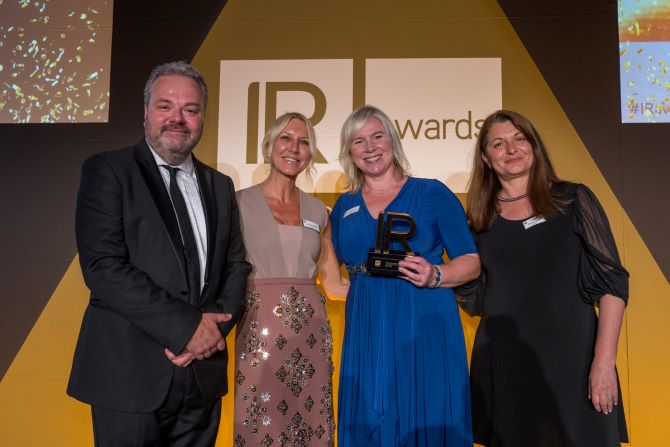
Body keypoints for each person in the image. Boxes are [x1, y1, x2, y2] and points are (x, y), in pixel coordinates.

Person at [67, 61, 251, 447]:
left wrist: (212, 331)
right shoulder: (107, 171)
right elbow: (104, 267)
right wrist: (187, 329)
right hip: (129, 376)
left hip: (202, 376)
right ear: (146, 111)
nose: (177, 119)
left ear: (202, 117)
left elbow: (235, 266)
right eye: (165, 106)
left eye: (190, 109)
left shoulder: (220, 185)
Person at [463, 110, 629, 446]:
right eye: (499, 143)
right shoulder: (477, 221)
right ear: (486, 157)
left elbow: (612, 286)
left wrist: (603, 362)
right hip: (507, 367)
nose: (511, 149)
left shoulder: (572, 199)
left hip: (576, 360)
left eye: (519, 139)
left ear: (534, 146)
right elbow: (474, 295)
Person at [330, 105, 480, 446]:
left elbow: (470, 260)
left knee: (427, 410)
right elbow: (331, 272)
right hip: (368, 324)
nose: (370, 147)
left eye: (377, 136)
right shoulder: (344, 206)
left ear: (393, 140)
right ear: (349, 153)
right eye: (358, 141)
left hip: (424, 319)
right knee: (369, 417)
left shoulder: (432, 192)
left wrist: (436, 274)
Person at [233, 112, 348, 446]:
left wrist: (392, 285)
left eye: (304, 142)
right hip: (258, 331)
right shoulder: (237, 203)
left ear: (311, 153)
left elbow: (335, 284)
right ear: (269, 145)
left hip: (311, 336)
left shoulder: (318, 211)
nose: (294, 148)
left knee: (310, 425)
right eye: (286, 138)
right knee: (259, 424)